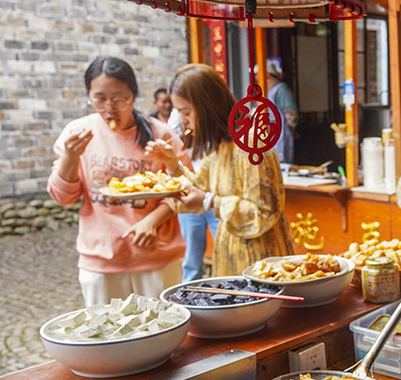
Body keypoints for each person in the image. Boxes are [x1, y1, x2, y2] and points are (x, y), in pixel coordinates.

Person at [47, 56, 188, 306]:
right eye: (100, 98)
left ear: (133, 96)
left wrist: (152, 221)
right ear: (89, 96)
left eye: (119, 97)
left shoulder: (161, 134)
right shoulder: (77, 134)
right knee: (107, 338)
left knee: (162, 335)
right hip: (101, 258)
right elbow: (64, 198)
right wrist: (70, 158)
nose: (110, 107)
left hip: (156, 255)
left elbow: (184, 189)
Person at [145, 63, 296, 276]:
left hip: (261, 260)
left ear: (207, 106)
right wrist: (172, 164)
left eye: (185, 112)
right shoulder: (218, 146)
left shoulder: (250, 144)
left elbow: (264, 212)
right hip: (229, 252)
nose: (182, 120)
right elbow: (198, 188)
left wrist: (211, 202)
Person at [166, 106, 219, 282]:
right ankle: (189, 296)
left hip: (216, 196)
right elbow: (171, 136)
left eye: (187, 114)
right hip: (190, 191)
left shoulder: (219, 125)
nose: (184, 119)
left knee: (223, 251)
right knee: (191, 256)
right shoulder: (178, 117)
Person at [265, 57, 297, 164]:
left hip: (281, 131)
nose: (256, 77)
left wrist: (292, 129)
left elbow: (291, 112)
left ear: (268, 74)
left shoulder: (281, 89)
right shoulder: (267, 89)